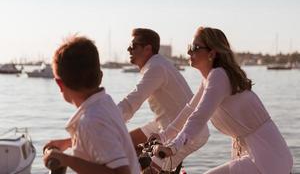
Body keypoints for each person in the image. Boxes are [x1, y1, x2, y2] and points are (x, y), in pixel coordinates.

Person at [151, 27, 293, 174]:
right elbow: (189, 110)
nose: (189, 52)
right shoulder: (210, 79)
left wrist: (173, 147)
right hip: (257, 153)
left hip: (267, 156)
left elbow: (199, 117)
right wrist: (163, 136)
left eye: (195, 48)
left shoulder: (219, 76)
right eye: (189, 47)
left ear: (211, 53)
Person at [43, 35, 140, 174]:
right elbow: (102, 137)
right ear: (100, 75)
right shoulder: (104, 103)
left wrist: (66, 160)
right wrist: (68, 142)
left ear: (59, 84)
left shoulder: (90, 121)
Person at [117, 28, 209, 172]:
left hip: (187, 130)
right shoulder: (156, 65)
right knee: (125, 142)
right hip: (167, 122)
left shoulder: (156, 68)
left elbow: (132, 102)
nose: (128, 49)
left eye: (133, 45)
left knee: (152, 169)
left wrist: (106, 120)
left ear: (148, 49)